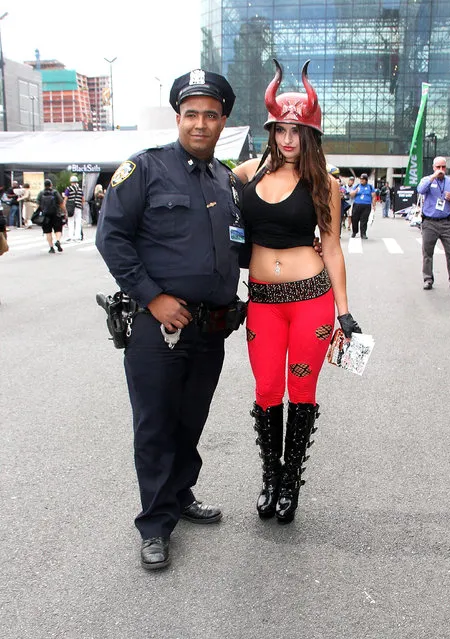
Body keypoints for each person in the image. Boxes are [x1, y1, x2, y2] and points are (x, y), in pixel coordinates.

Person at [96, 68, 245, 570]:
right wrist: (152, 296)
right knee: (156, 424)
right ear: (178, 117)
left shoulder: (226, 180)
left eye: (210, 115)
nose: (200, 124)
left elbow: (236, 248)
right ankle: (155, 524)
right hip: (159, 327)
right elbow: (110, 237)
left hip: (211, 327)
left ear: (223, 121)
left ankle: (180, 495)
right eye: (191, 114)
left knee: (190, 419)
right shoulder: (145, 169)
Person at [233, 59, 361, 524]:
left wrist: (345, 312)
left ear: (310, 134)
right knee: (266, 389)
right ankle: (270, 477)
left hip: (312, 301)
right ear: (271, 132)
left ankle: (291, 483)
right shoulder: (246, 174)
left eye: (296, 131)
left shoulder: (324, 184)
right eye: (280, 130)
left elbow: (331, 246)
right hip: (263, 302)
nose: (288, 139)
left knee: (301, 388)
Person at [417, 156, 450, 290]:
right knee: (428, 253)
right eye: (438, 167)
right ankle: (428, 279)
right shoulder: (427, 180)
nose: (441, 170)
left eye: (443, 167)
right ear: (433, 167)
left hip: (445, 222)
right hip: (430, 222)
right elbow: (420, 190)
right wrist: (433, 176)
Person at [36, 179, 65, 253]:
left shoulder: (41, 193)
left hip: (45, 215)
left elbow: (38, 205)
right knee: (58, 229)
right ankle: (58, 241)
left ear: (44, 185)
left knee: (48, 232)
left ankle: (51, 247)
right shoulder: (55, 192)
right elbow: (61, 203)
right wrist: (64, 211)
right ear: (51, 185)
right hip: (56, 214)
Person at [350, 173, 374, 239]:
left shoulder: (370, 187)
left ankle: (363, 233)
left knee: (364, 220)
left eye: (363, 179)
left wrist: (373, 205)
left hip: (366, 205)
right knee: (354, 219)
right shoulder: (357, 186)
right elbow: (351, 195)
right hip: (357, 204)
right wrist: (355, 191)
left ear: (366, 180)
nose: (361, 180)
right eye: (361, 179)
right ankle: (354, 231)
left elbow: (373, 196)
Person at [64, 175, 84, 241]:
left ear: (71, 182)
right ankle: (77, 236)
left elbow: (66, 198)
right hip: (78, 207)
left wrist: (64, 206)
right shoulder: (80, 189)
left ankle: (71, 236)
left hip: (70, 207)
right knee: (78, 221)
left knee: (71, 221)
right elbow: (83, 199)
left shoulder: (69, 188)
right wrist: (81, 206)